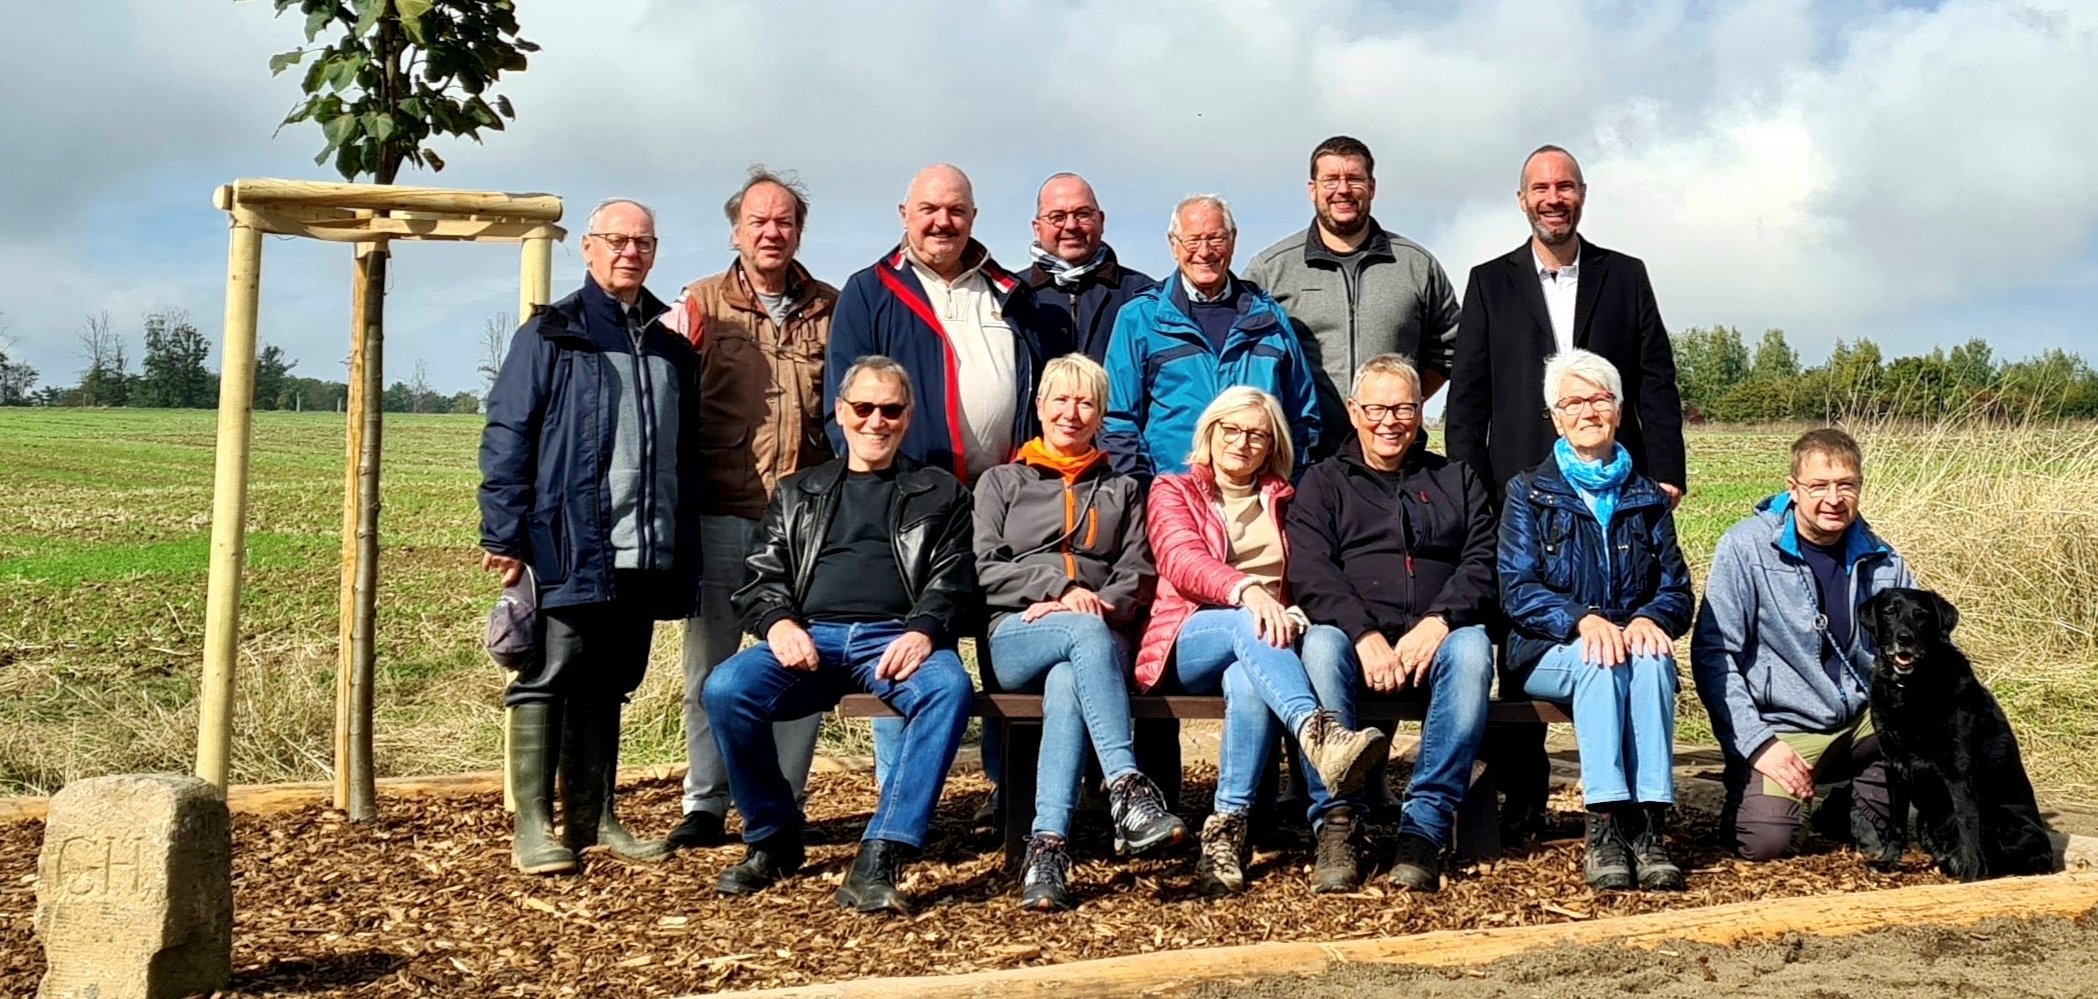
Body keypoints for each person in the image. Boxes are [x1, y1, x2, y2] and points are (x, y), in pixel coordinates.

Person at [1444, 144, 1688, 844]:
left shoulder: (1625, 276)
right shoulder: (1490, 282)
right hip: (1519, 491)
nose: (1554, 198)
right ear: (1522, 200)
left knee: (1625, 627)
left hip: (1615, 478)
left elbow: (1654, 380)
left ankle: (1631, 812)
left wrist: (1664, 469)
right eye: (1540, 188)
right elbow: (1468, 397)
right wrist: (1470, 490)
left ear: (1582, 194)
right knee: (1521, 632)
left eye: (1566, 186)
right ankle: (1523, 793)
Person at [824, 163, 1064, 799]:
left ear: (974, 218)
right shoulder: (870, 291)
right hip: (910, 504)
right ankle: (902, 807)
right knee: (905, 648)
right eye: (929, 209)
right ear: (904, 214)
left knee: (1008, 645)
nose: (942, 221)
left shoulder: (1010, 291)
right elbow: (841, 404)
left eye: (956, 210)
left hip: (1003, 501)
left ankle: (1009, 794)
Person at [703, 356, 976, 916]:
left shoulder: (938, 492)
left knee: (948, 688)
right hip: (812, 639)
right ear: (841, 413)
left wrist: (925, 630)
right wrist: (778, 623)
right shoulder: (798, 492)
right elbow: (761, 577)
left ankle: (882, 855)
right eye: (864, 408)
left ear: (908, 417)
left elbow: (954, 577)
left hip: (894, 639)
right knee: (726, 688)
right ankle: (774, 836)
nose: (877, 421)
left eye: (891, 410)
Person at [479, 198, 696, 874]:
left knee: (609, 681)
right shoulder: (552, 335)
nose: (631, 252)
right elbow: (508, 432)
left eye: (643, 242)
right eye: (617, 240)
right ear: (589, 248)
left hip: (644, 544)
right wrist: (504, 529)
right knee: (548, 673)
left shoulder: (671, 348)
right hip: (568, 540)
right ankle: (535, 826)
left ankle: (596, 816)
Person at [1136, 386, 1387, 896]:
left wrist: (1293, 610)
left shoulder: (1286, 499)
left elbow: (1311, 571)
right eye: (1232, 429)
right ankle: (1319, 735)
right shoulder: (1173, 490)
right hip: (1189, 636)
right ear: (1210, 432)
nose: (1243, 442)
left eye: (1257, 434)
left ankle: (1226, 830)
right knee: (1248, 625)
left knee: (1248, 683)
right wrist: (1250, 592)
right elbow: (1182, 561)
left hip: (1266, 647)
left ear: (1273, 445)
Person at [665, 167, 837, 849]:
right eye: (759, 221)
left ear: (798, 232)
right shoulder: (698, 305)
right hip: (722, 510)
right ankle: (705, 801)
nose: (772, 232)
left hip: (802, 525)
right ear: (736, 230)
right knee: (708, 669)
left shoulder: (832, 305)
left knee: (801, 664)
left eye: (785, 221)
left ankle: (784, 801)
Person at [974, 353, 1182, 911]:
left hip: (1099, 632)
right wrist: (1057, 593)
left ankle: (1048, 850)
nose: (1072, 412)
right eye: (1060, 400)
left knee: (1071, 676)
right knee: (1079, 637)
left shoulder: (1123, 489)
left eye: (1085, 402)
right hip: (1019, 631)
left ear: (1101, 414)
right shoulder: (1001, 481)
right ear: (1039, 407)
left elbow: (1138, 571)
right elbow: (986, 566)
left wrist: (1097, 604)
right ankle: (1127, 788)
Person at [1286, 354, 1497, 894]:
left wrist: (1439, 621)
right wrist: (1364, 634)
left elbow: (1482, 560)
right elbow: (1312, 572)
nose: (1390, 421)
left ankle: (1422, 828)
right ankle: (1337, 819)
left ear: (1421, 412)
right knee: (1320, 645)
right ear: (1354, 412)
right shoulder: (1323, 483)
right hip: (1355, 640)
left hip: (1436, 640)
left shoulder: (1455, 477)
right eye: (1377, 408)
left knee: (1473, 650)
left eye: (1403, 408)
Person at [1496, 349, 1694, 892]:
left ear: (1619, 409)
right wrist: (1581, 620)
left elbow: (1677, 590)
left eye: (1599, 398)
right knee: (1600, 664)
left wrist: (1652, 619)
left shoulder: (1647, 496)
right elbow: (1517, 588)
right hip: (1547, 649)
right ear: (1556, 417)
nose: (1588, 411)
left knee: (1652, 660)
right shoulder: (1528, 492)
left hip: (1630, 647)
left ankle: (1650, 827)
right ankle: (1606, 827)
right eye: (1573, 402)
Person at [1692, 428, 1914, 863]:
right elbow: (1714, 655)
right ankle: (1749, 793)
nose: (1834, 499)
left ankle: (1852, 805)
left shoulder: (1885, 561)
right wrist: (1758, 744)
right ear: (1793, 489)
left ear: (1860, 487)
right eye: (1819, 486)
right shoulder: (1744, 548)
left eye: (1846, 485)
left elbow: (1923, 655)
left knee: (1918, 722)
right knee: (1766, 843)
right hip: (1781, 727)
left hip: (1862, 722)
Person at [1243, 136, 1462, 457]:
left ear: (1372, 187)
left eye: (1354, 179)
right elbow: (1243, 358)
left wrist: (1394, 406)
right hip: (1302, 459)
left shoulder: (1417, 265)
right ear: (1312, 189)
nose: (1343, 190)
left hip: (1396, 460)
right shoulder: (1270, 270)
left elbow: (1448, 348)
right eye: (1330, 180)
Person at [1103, 195, 1321, 479]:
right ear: (1174, 245)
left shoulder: (1270, 318)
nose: (1204, 252)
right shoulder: (1140, 318)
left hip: (1259, 495)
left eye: (1216, 239)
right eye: (1193, 240)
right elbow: (1118, 420)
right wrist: (1142, 489)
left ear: (1233, 240)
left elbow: (1303, 416)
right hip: (1175, 494)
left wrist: (1292, 486)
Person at [1024, 172, 1157, 364]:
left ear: (1101, 221)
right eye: (1057, 217)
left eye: (1082, 214)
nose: (1071, 225)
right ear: (1037, 229)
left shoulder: (1143, 295)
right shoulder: (1013, 297)